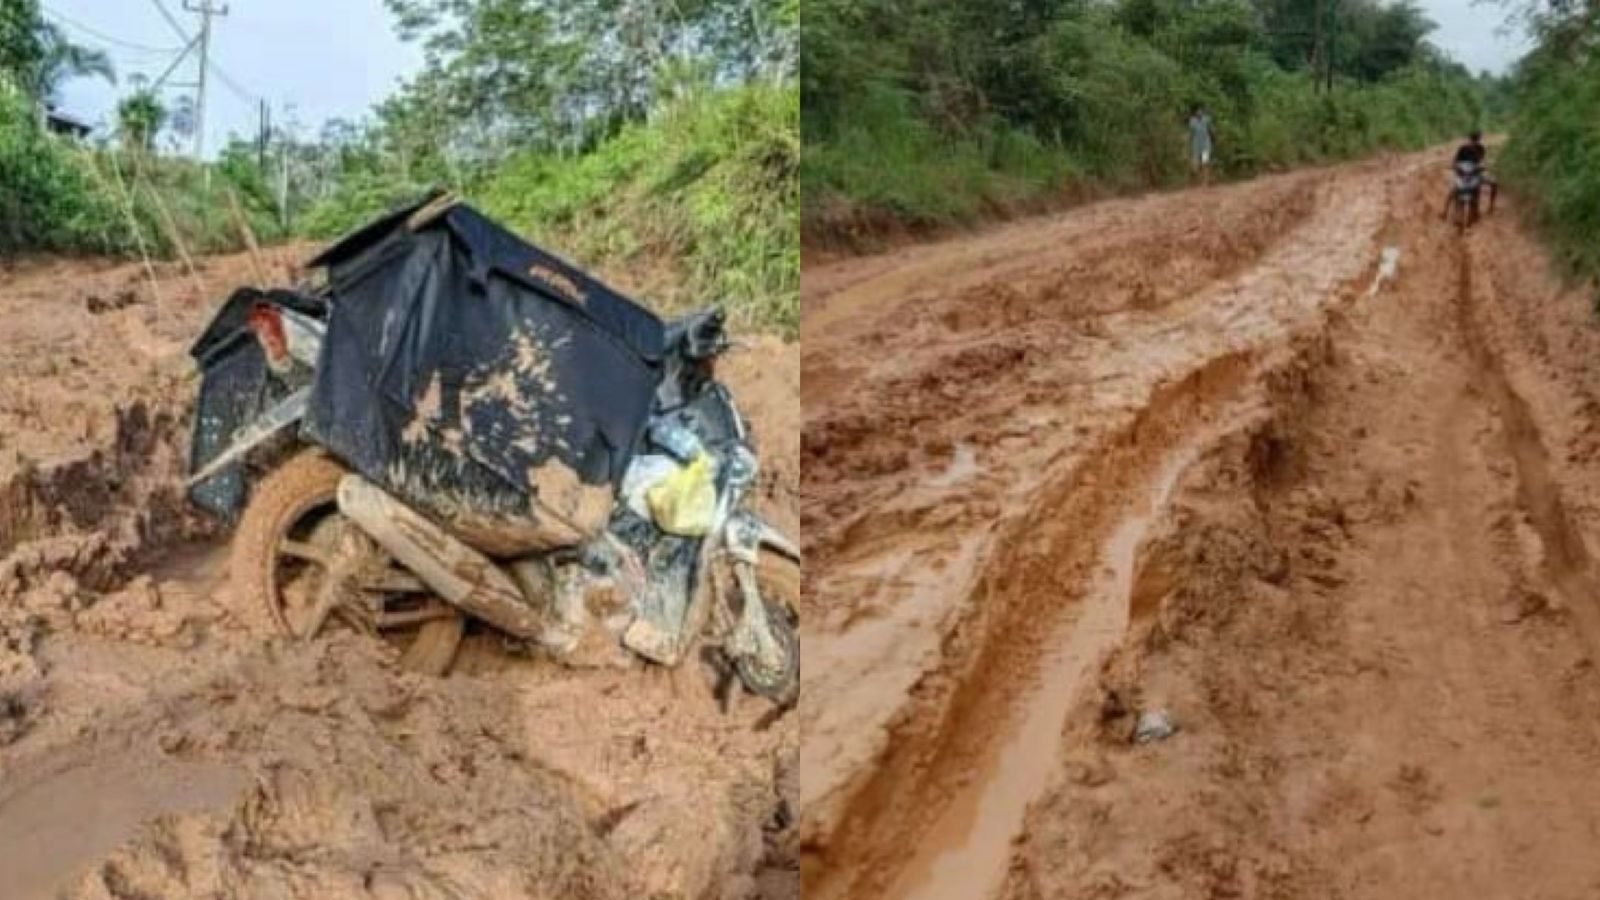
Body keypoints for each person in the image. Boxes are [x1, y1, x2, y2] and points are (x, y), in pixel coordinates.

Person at [1441, 129, 1498, 221]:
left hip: (1474, 174)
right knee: (1455, 189)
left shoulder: (1479, 148)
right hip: (1464, 174)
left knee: (1454, 190)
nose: (1476, 140)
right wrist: (1456, 167)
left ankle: (1445, 211)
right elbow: (1456, 161)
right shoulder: (1466, 148)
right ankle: (1445, 211)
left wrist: (1482, 167)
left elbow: (1480, 161)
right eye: (1477, 138)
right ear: (1479, 138)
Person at [1187, 105, 1215, 185]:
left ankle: (1205, 181)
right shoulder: (1192, 121)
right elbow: (1191, 133)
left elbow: (1211, 130)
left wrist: (1213, 137)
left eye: (1200, 110)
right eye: (1198, 111)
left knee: (1205, 162)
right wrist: (1189, 142)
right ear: (1195, 112)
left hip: (1206, 144)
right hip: (1196, 145)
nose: (1199, 112)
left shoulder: (1207, 119)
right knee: (1195, 165)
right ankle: (1199, 179)